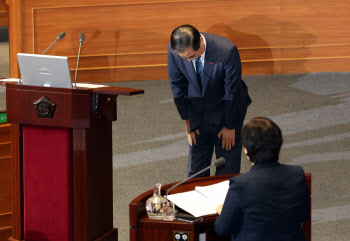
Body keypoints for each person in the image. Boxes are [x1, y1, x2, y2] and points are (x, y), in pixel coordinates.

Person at [167, 24, 251, 177]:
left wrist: (230, 127)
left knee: (227, 168)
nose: (188, 60)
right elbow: (177, 86)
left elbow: (231, 92)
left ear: (200, 41)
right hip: (196, 111)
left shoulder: (226, 51)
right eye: (184, 58)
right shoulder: (175, 49)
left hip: (226, 109)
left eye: (191, 56)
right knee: (195, 172)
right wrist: (188, 122)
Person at [214, 117, 310, 241]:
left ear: (246, 150)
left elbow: (222, 229)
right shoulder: (296, 174)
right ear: (279, 146)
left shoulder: (241, 184)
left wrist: (223, 211)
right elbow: (303, 215)